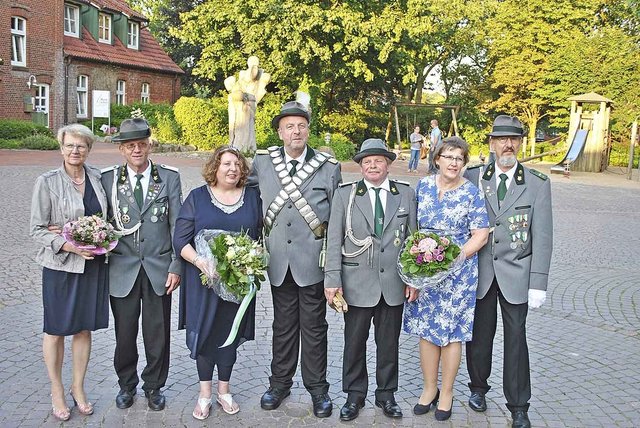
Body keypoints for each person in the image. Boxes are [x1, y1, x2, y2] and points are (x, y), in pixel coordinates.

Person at [248, 101, 342, 418]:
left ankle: (318, 390)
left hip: (313, 262)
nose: (296, 131)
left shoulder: (328, 168)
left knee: (315, 329)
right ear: (280, 131)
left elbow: (338, 218)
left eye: (301, 125)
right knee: (283, 327)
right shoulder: (263, 164)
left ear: (308, 130)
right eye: (289, 126)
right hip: (278, 262)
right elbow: (242, 197)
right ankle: (280, 384)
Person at [464, 115, 553, 428]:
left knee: (516, 338)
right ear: (491, 144)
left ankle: (519, 405)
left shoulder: (537, 184)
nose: (508, 144)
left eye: (514, 139)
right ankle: (477, 387)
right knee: (479, 335)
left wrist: (538, 282)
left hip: (517, 274)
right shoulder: (474, 177)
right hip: (480, 273)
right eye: (501, 139)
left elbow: (543, 236)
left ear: (520, 143)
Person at [324, 138, 418, 421]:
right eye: (367, 161)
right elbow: (333, 239)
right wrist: (332, 279)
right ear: (361, 166)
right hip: (356, 283)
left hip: (393, 284)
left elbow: (414, 238)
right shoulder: (345, 195)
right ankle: (354, 395)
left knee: (388, 343)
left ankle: (386, 395)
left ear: (388, 164)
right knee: (355, 341)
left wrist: (412, 279)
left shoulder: (405, 194)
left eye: (378, 160)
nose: (373, 165)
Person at [403, 136, 489, 421]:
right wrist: (414, 272)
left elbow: (481, 234)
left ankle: (448, 391)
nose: (453, 163)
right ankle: (429, 389)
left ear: (464, 164)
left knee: (452, 335)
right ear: (437, 159)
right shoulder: (424, 187)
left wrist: (457, 256)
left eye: (459, 158)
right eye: (448, 157)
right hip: (426, 272)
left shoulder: (472, 193)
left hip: (458, 275)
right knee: (427, 332)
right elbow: (413, 228)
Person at [101, 118, 183, 411]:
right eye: (130, 146)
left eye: (141, 144)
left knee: (157, 333)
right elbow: (103, 222)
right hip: (122, 269)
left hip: (158, 268)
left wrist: (177, 265)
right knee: (124, 333)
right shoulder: (109, 179)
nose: (137, 150)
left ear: (150, 145)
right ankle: (126, 384)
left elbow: (177, 225)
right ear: (122, 149)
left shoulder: (169, 177)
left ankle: (154, 386)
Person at [173, 146, 262, 419]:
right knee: (206, 334)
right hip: (204, 282)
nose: (232, 169)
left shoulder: (252, 198)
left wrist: (251, 260)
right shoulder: (197, 198)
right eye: (226, 164)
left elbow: (259, 235)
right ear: (215, 167)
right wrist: (200, 261)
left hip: (237, 285)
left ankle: (224, 391)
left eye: (237, 164)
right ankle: (204, 394)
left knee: (229, 336)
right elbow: (180, 240)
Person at [29, 124, 109, 421]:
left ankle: (78, 387)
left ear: (88, 149)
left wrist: (103, 237)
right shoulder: (47, 182)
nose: (75, 151)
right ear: (61, 148)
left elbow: (106, 218)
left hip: (93, 264)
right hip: (61, 265)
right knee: (55, 330)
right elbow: (36, 230)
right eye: (69, 146)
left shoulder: (98, 178)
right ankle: (57, 389)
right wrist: (67, 244)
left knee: (83, 328)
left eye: (81, 146)